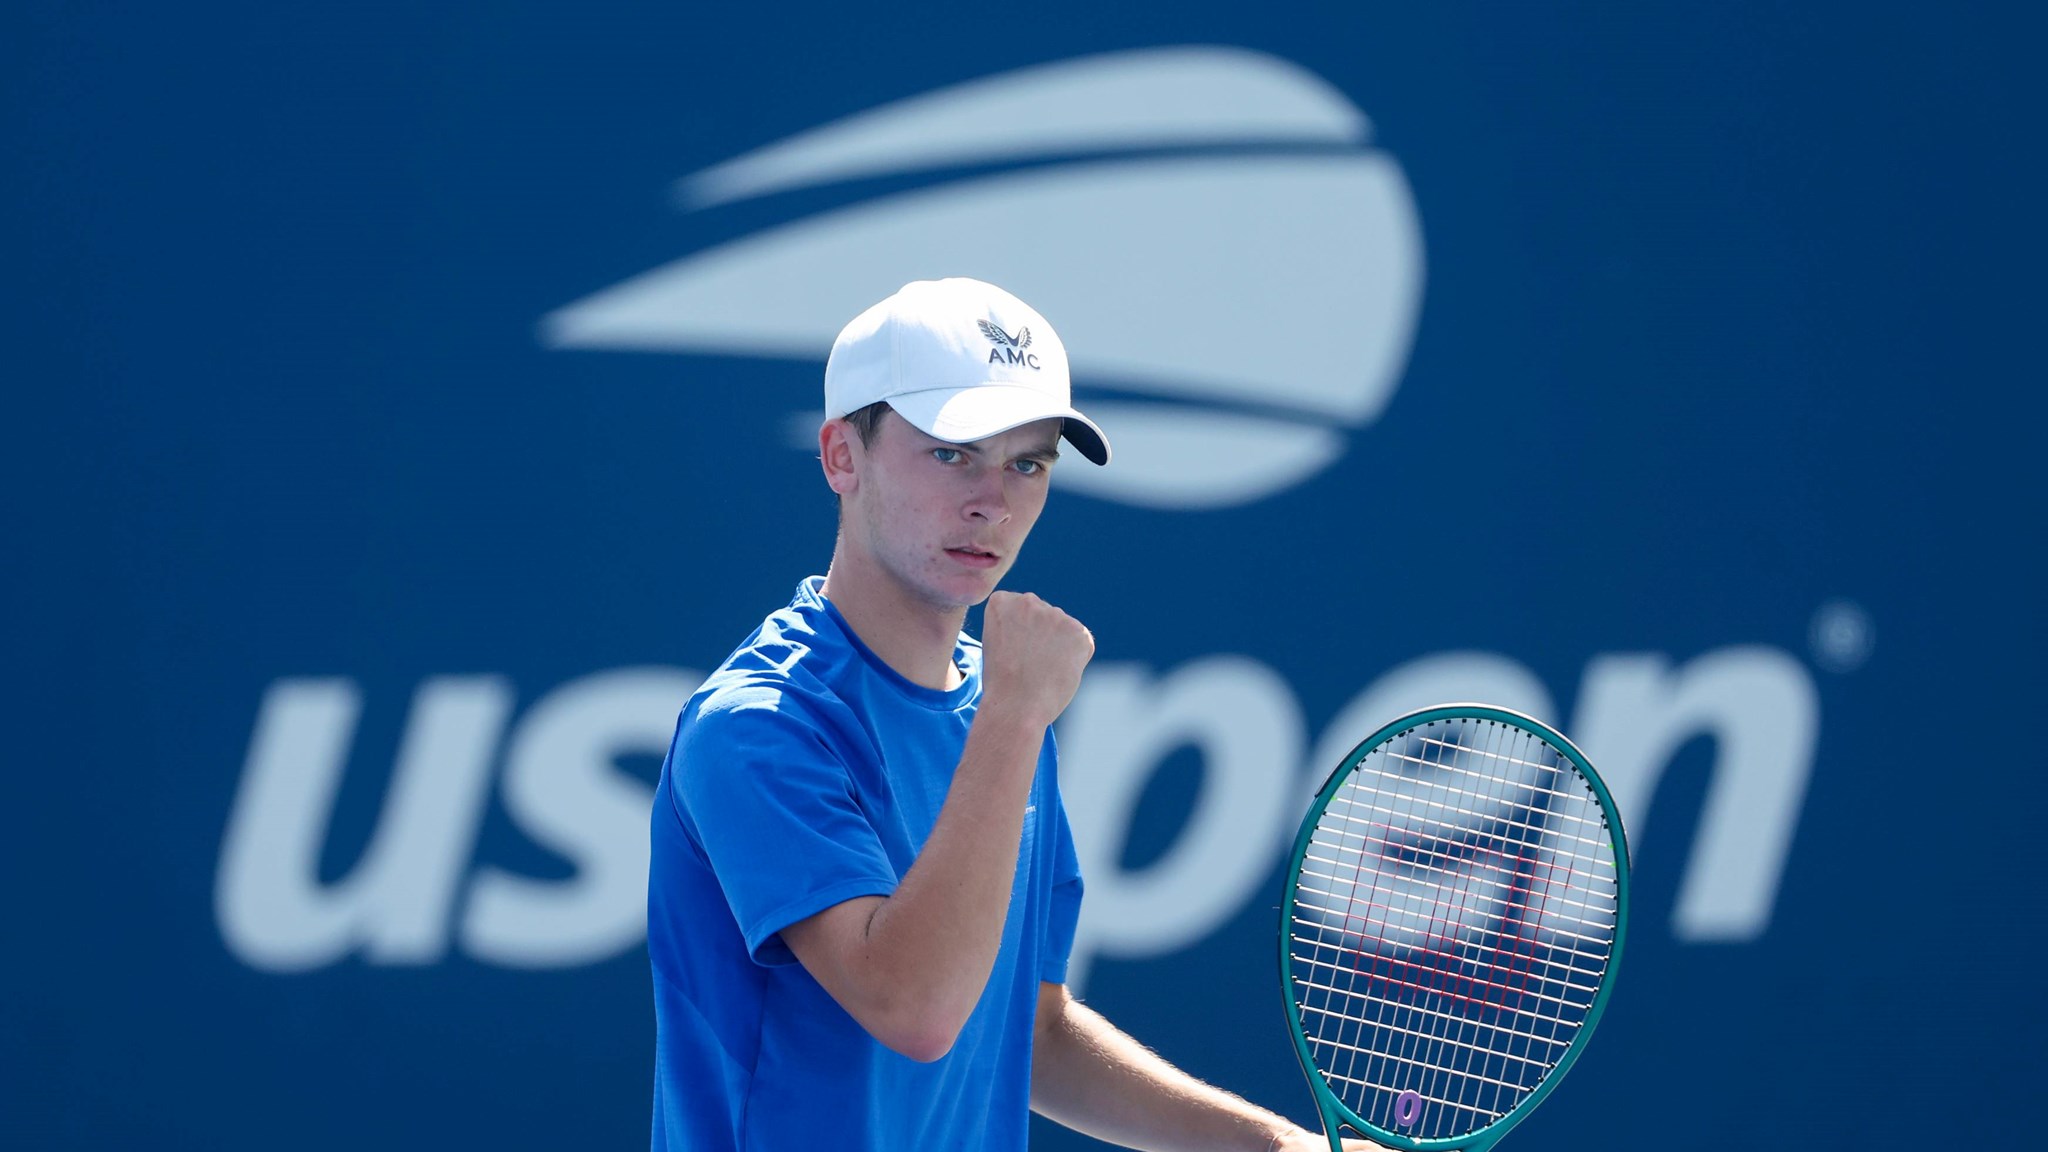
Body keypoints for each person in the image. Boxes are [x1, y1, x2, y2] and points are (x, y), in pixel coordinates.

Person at [647, 278, 1371, 1152]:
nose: (994, 499)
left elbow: (1027, 1033)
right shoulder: (756, 726)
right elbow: (914, 1009)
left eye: (1027, 463)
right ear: (842, 456)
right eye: (953, 452)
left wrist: (1278, 1148)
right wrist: (1016, 715)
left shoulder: (1001, 706)